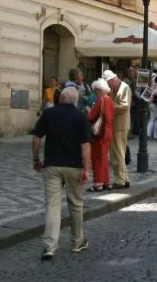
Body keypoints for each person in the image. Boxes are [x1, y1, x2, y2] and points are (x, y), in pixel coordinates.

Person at [32, 87, 92, 260]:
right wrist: (86, 169)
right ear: (74, 100)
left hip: (52, 165)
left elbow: (36, 139)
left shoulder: (49, 114)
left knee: (52, 205)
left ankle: (50, 246)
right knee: (76, 204)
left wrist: (36, 159)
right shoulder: (80, 116)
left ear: (61, 98)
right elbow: (86, 146)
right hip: (74, 166)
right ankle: (77, 242)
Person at [103, 70, 132, 189]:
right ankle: (124, 178)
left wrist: (109, 107)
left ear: (113, 80)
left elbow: (125, 106)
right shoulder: (115, 89)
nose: (108, 87)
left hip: (121, 124)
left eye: (108, 84)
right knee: (118, 152)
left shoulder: (124, 88)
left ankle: (120, 180)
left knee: (118, 152)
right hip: (116, 124)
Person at [87, 78, 115, 192]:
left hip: (99, 133)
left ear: (99, 90)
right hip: (108, 131)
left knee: (97, 158)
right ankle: (106, 182)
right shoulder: (110, 100)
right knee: (104, 158)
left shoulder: (100, 101)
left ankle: (98, 183)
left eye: (96, 91)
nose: (95, 93)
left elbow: (91, 117)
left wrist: (88, 110)